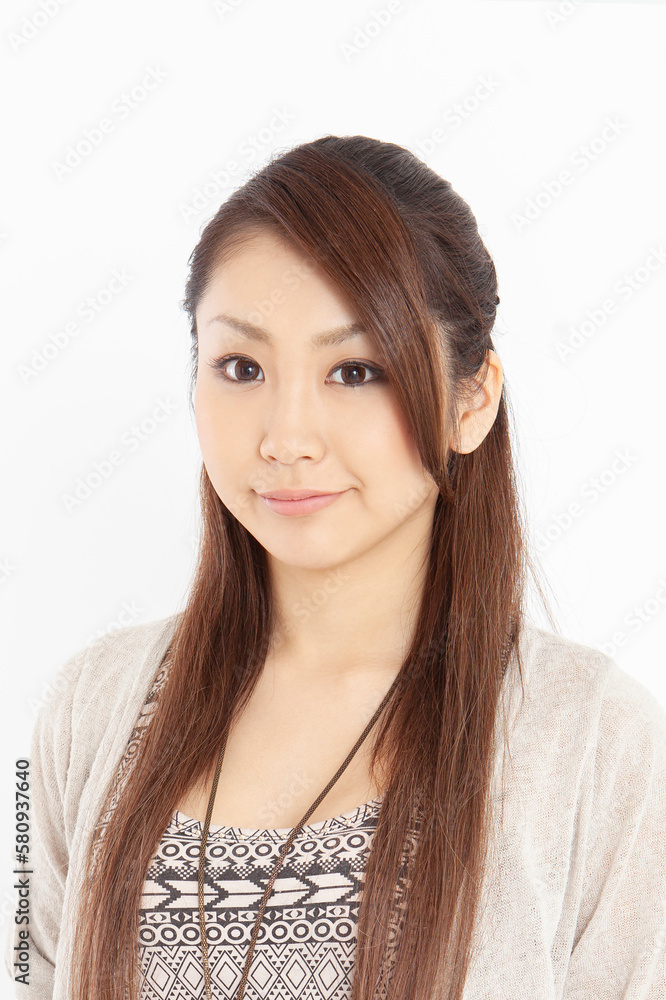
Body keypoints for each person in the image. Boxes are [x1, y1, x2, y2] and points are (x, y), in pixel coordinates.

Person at [5, 135, 666, 1000]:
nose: (286, 437)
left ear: (472, 399)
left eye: (354, 371)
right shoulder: (86, 710)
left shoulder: (593, 741)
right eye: (241, 367)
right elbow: (23, 970)